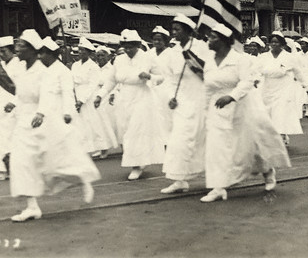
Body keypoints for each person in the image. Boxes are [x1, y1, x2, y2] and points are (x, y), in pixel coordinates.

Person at [5, 30, 99, 222]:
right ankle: (31, 206)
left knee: (56, 161)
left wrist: (42, 112)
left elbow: (48, 95)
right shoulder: (21, 70)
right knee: (21, 161)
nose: (17, 49)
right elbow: (21, 94)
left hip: (43, 119)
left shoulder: (43, 72)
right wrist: (13, 103)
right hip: (24, 120)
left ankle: (83, 180)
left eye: (21, 46)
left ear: (32, 50)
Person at [200, 24, 290, 203]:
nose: (209, 41)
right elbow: (207, 87)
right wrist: (203, 110)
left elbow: (247, 82)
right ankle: (218, 187)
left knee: (249, 146)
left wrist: (231, 96)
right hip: (216, 109)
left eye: (213, 38)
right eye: (209, 37)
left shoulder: (240, 60)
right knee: (217, 147)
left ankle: (267, 172)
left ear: (225, 41)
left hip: (241, 107)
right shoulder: (209, 61)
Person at [95, 29, 165, 181]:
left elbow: (161, 77)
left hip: (142, 98)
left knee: (137, 131)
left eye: (131, 46)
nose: (128, 50)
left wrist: (149, 76)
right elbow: (111, 80)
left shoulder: (147, 58)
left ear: (138, 45)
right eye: (125, 46)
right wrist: (100, 95)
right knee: (126, 132)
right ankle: (138, 161)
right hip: (124, 99)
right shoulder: (119, 60)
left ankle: (136, 166)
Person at [159, 15, 210, 194]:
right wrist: (171, 97)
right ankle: (179, 179)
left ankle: (217, 177)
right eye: (172, 30)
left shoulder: (201, 48)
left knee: (207, 140)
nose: (174, 33)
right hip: (182, 103)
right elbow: (170, 79)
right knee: (178, 140)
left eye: (177, 29)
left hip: (202, 99)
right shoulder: (172, 52)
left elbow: (209, 72)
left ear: (188, 31)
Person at [257, 32, 308, 146]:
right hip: (268, 89)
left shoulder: (289, 57)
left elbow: (298, 72)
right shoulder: (263, 57)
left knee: (280, 113)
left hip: (284, 89)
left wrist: (307, 85)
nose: (274, 44)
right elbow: (256, 71)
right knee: (269, 113)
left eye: (277, 42)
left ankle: (281, 135)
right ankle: (276, 135)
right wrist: (255, 80)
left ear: (282, 44)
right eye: (272, 42)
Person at [0, 36, 25, 181]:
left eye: (3, 51)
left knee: (14, 140)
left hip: (15, 107)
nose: (1, 54)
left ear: (11, 51)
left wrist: (14, 102)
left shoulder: (19, 65)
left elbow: (22, 88)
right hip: (0, 106)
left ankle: (14, 169)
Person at [72, 37, 116, 158]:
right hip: (78, 93)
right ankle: (88, 148)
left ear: (89, 53)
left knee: (96, 123)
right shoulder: (75, 65)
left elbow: (92, 85)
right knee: (82, 124)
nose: (81, 53)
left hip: (90, 96)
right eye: (79, 50)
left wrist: (82, 100)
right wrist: (75, 97)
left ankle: (104, 148)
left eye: (83, 50)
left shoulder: (93, 67)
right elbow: (72, 81)